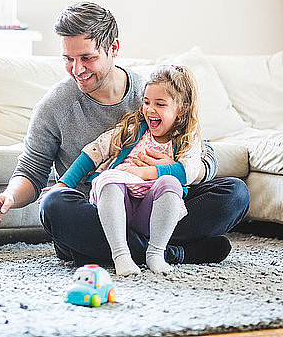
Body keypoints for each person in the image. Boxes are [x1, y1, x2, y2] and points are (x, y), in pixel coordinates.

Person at [0, 1, 250, 269]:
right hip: (98, 210)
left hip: (157, 202)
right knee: (54, 206)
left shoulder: (150, 95)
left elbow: (204, 155)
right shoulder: (55, 106)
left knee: (236, 193)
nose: (77, 69)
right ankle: (172, 252)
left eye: (87, 58)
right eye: (68, 59)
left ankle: (120, 250)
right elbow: (31, 170)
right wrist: (8, 197)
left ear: (114, 49)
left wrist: (164, 171)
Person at [47, 64, 205, 276]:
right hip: (117, 206)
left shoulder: (188, 139)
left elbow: (189, 171)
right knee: (108, 180)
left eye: (160, 104)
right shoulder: (133, 129)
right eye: (146, 102)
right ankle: (120, 254)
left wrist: (143, 173)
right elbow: (94, 152)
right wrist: (63, 184)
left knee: (175, 183)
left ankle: (155, 253)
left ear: (183, 108)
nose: (150, 110)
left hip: (152, 213)